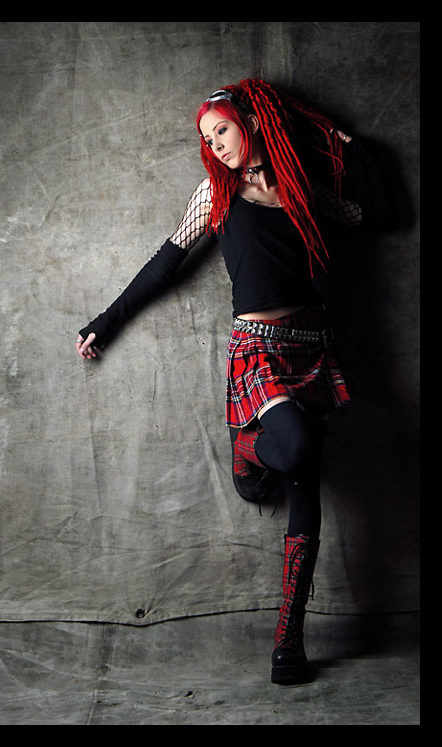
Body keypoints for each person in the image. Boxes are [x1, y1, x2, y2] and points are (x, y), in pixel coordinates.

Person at [76, 79, 395, 684]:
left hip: (313, 346)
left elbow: (378, 215)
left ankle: (289, 640)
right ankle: (247, 448)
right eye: (208, 138)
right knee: (296, 447)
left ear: (249, 120)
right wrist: (105, 322)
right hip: (258, 350)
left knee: (305, 482)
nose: (216, 145)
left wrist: (353, 147)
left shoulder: (302, 190)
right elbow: (166, 263)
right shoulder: (216, 195)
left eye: (221, 129)